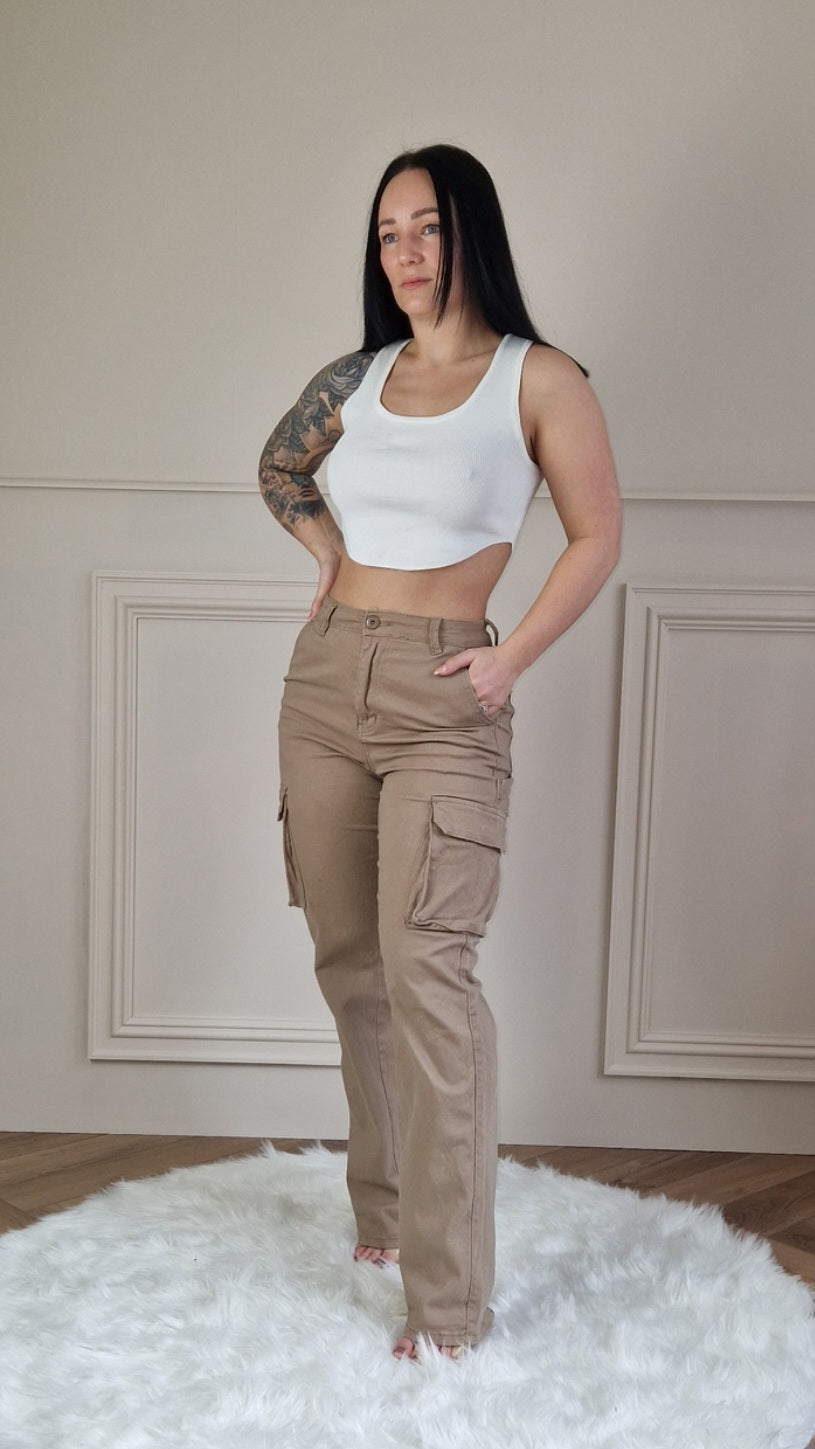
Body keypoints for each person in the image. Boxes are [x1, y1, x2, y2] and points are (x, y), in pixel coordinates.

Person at [258, 144, 621, 1361]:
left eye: (425, 228)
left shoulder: (539, 378)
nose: (404, 254)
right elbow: (277, 464)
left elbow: (595, 533)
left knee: (430, 974)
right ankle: (380, 1207)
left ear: (471, 234)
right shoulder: (357, 378)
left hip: (446, 690)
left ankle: (448, 1307)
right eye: (386, 234)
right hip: (325, 680)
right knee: (350, 960)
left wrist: (509, 657)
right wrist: (326, 553)